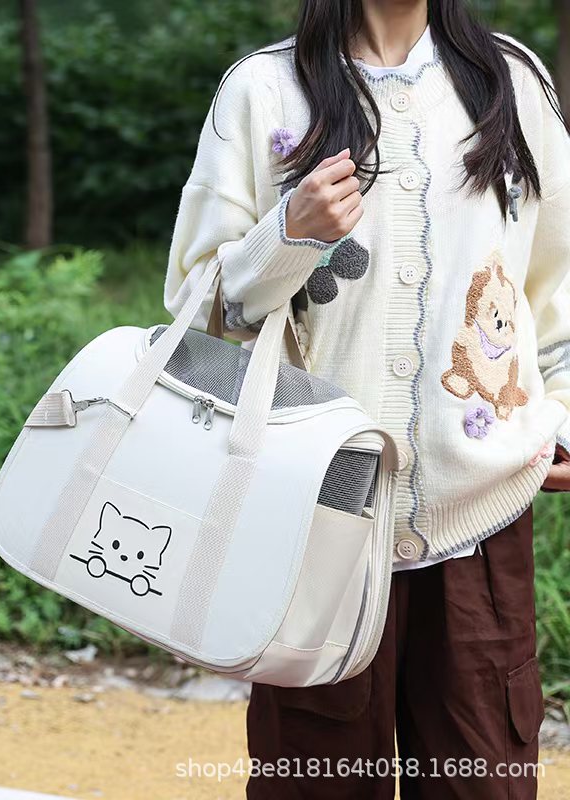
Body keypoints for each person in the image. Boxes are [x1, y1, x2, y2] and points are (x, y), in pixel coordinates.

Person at [163, 0, 570, 797]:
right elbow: (196, 309)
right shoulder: (264, 90)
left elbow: (555, 285)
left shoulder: (511, 83)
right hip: (313, 518)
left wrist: (561, 415)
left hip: (480, 522)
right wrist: (289, 234)